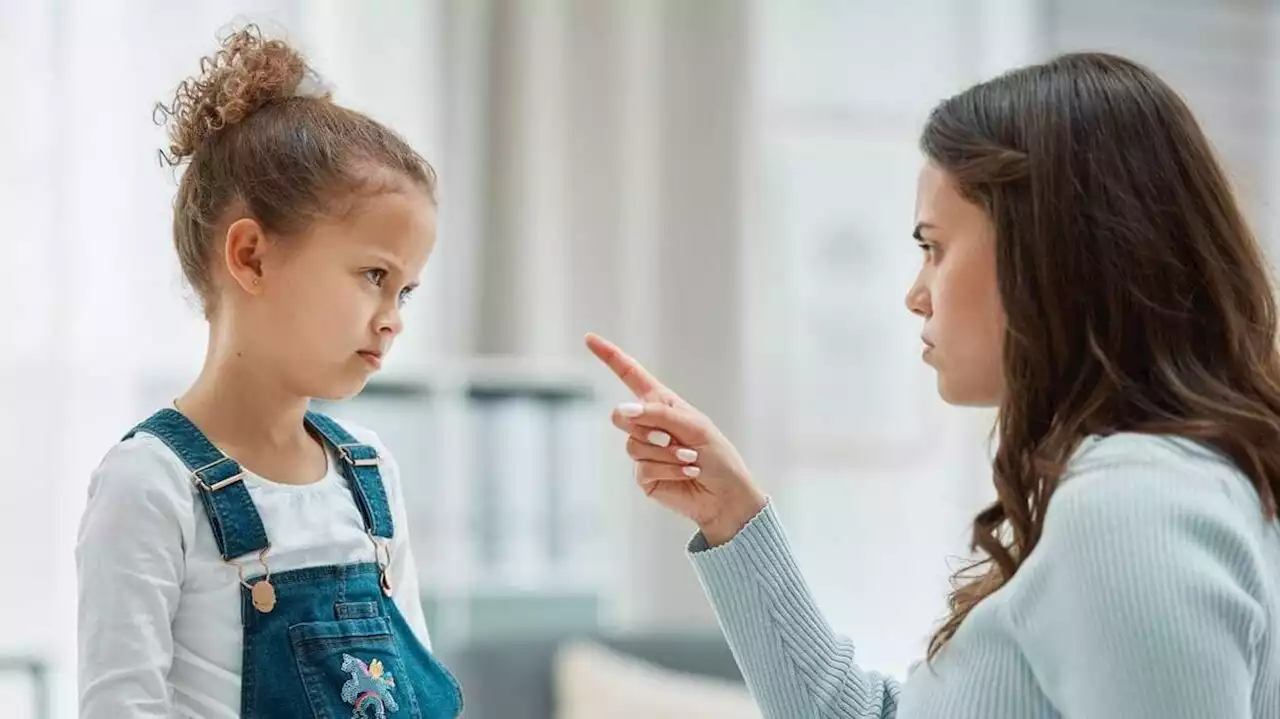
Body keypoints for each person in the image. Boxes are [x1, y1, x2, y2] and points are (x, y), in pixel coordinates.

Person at [586, 52, 1280, 718]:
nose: (917, 294)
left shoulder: (1132, 509)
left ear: (1045, 252)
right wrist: (732, 515)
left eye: (935, 248)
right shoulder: (1150, 487)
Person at [76, 26, 461, 718]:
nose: (393, 315)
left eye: (405, 290)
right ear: (251, 256)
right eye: (374, 274)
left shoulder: (370, 472)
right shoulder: (149, 485)